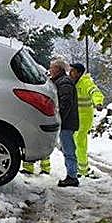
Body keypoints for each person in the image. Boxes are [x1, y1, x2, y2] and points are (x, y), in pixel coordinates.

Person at [22, 59, 80, 187]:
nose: (50, 70)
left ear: (58, 69)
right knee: (66, 149)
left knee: (68, 150)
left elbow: (65, 103)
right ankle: (72, 175)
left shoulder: (64, 83)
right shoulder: (59, 81)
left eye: (52, 68)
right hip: (65, 122)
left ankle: (72, 176)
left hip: (66, 123)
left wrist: (58, 119)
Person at [69, 63, 104, 178]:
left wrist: (98, 102)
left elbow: (95, 92)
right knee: (76, 141)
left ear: (79, 73)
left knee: (79, 141)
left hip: (84, 118)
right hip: (75, 117)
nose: (70, 72)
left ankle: (82, 169)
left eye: (73, 70)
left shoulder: (86, 82)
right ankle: (80, 167)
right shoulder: (73, 82)